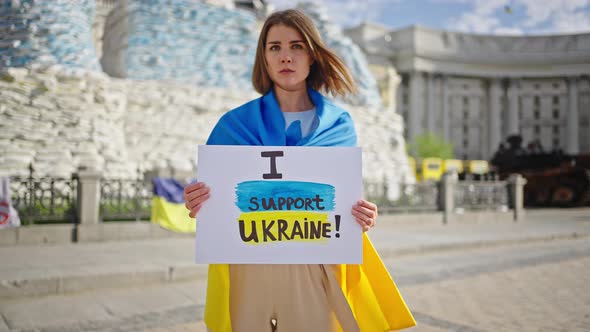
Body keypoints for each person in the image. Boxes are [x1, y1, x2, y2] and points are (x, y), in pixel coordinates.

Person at [183, 9, 415, 332]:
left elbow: (341, 203)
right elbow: (216, 202)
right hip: (250, 268)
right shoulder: (233, 126)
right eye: (274, 47)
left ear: (312, 56)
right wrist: (197, 202)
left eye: (296, 46)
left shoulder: (339, 126)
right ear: (263, 58)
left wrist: (363, 216)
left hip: (315, 270)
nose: (285, 57)